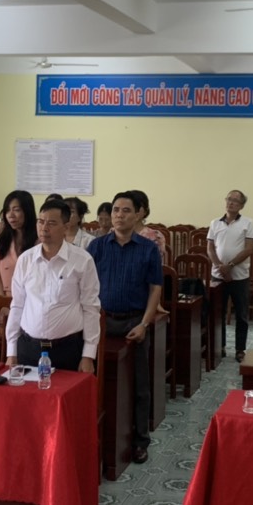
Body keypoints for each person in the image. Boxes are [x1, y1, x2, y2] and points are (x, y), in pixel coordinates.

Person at [87, 191, 163, 464]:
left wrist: (144, 323)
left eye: (126, 210)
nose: (119, 215)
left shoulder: (148, 248)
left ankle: (140, 441)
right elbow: (84, 287)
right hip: (101, 322)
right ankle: (96, 437)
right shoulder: (96, 247)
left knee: (139, 384)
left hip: (134, 323)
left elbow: (155, 289)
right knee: (96, 381)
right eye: (116, 210)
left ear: (138, 214)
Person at [5, 197, 102, 373]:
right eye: (41, 222)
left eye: (51, 223)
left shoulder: (82, 260)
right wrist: (11, 351)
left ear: (66, 227)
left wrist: (88, 355)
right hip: (29, 348)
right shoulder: (26, 259)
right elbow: (17, 305)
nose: (44, 228)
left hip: (67, 349)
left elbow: (91, 308)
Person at [207, 189, 253, 362]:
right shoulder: (215, 223)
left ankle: (240, 349)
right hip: (217, 275)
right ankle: (219, 347)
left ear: (242, 205)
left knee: (241, 315)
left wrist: (230, 266)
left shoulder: (248, 223)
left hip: (239, 276)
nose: (231, 202)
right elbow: (210, 248)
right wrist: (220, 267)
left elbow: (249, 249)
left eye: (236, 200)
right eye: (229, 199)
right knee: (217, 313)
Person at [0, 190, 37, 297]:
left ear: (28, 211)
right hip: (6, 299)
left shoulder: (39, 240)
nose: (10, 215)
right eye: (7, 210)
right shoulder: (0, 240)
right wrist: (2, 303)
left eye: (16, 210)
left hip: (32, 300)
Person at [130, 190, 168, 264]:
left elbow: (155, 264)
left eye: (137, 207)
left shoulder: (155, 236)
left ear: (145, 210)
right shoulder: (114, 233)